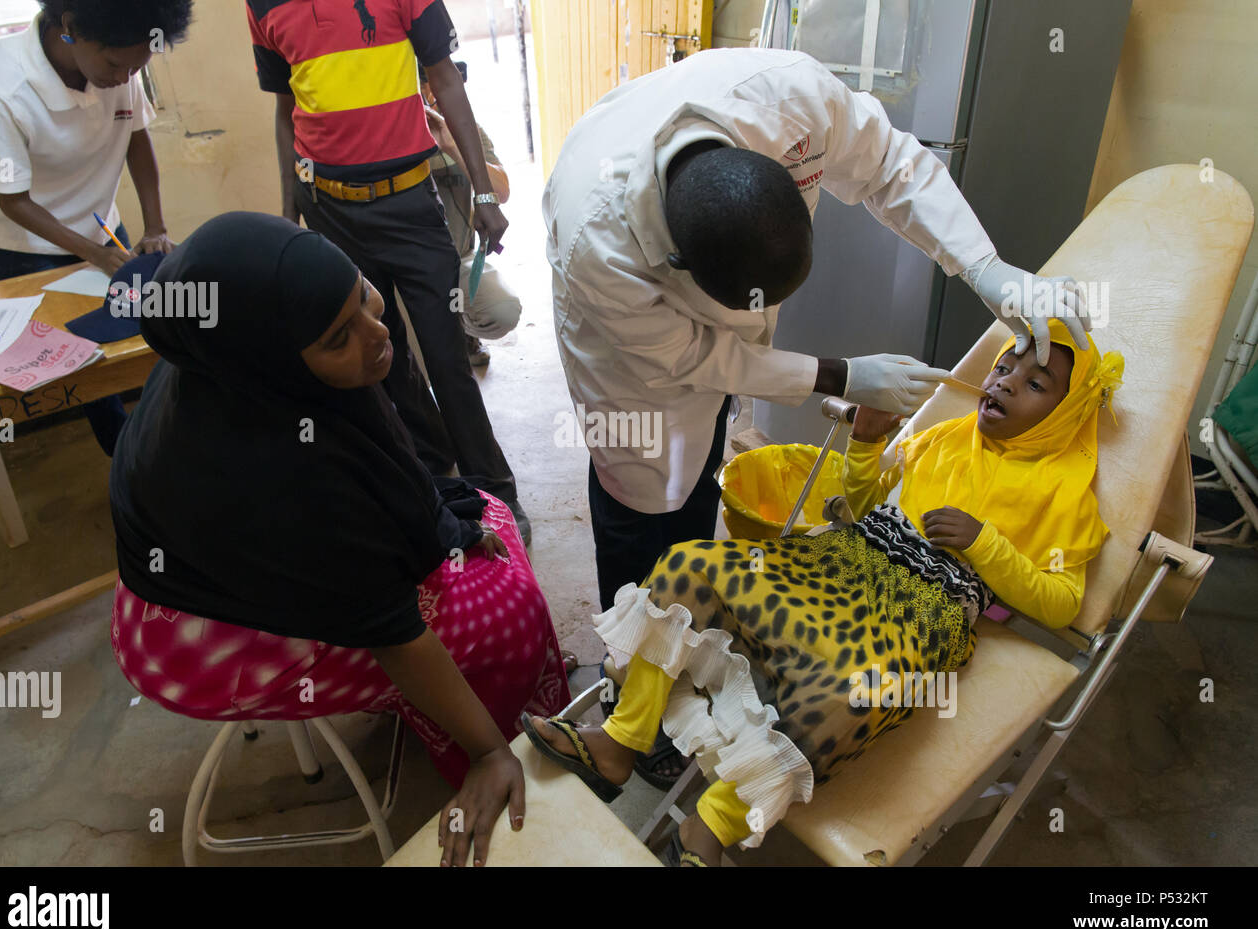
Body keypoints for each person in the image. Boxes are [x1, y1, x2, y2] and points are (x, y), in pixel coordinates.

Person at [526, 318, 1124, 865]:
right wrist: (864, 444)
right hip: (839, 561)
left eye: (1037, 383)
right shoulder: (946, 438)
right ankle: (622, 741)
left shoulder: (1063, 492)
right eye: (1005, 364)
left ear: (1067, 413)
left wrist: (985, 543)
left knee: (849, 696)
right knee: (690, 565)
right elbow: (861, 506)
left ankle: (711, 824)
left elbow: (1062, 602)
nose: (1007, 380)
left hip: (919, 612)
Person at [542, 47, 1094, 616]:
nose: (1005, 381)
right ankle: (628, 648)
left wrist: (986, 268)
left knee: (702, 462)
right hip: (631, 372)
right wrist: (843, 375)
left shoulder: (793, 98)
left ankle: (679, 617)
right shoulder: (598, 246)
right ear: (677, 262)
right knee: (642, 499)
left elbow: (890, 165)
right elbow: (692, 356)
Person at [108, 212, 570, 867]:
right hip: (188, 639)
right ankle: (491, 729)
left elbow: (391, 467)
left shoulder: (230, 367)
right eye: (337, 336)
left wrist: (438, 518)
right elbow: (392, 631)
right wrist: (489, 751)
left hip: (190, 570)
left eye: (361, 295)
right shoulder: (290, 478)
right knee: (504, 611)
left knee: (478, 520)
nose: (378, 334)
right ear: (274, 356)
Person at [246, 0, 532, 544]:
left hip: (410, 206)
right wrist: (289, 215)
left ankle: (495, 489)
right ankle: (431, 459)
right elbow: (285, 112)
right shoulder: (262, 4)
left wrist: (482, 192)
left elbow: (445, 80)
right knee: (382, 352)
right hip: (328, 205)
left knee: (447, 356)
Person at [0, 0, 191, 455]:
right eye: (115, 64)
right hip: (21, 241)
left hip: (100, 226)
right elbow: (14, 201)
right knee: (79, 351)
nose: (124, 78)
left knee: (148, 319)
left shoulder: (122, 57)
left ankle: (169, 425)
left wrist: (156, 226)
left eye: (137, 68)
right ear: (70, 29)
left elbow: (137, 139)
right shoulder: (0, 82)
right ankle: (123, 448)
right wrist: (97, 255)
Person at [420, 60, 523, 368]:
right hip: (411, 264)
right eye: (421, 94)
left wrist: (453, 145)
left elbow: (501, 190)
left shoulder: (467, 131)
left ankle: (464, 328)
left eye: (435, 95)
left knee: (502, 310)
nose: (429, 102)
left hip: (459, 259)